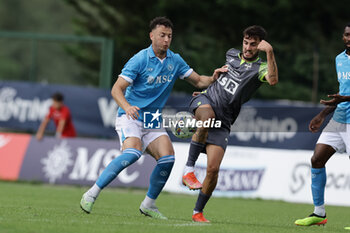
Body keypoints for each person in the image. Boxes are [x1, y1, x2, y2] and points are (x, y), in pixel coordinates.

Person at [79, 16, 227, 219]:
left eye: (169, 36)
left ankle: (148, 204)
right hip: (130, 117)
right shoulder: (140, 59)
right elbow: (116, 89)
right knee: (132, 153)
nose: (166, 40)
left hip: (153, 120)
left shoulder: (174, 60)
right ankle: (91, 193)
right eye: (162, 35)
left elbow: (199, 81)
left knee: (168, 159)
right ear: (152, 36)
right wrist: (127, 106)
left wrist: (213, 78)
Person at [181, 25, 278, 222]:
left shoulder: (260, 68)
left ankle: (197, 212)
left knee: (213, 170)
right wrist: (213, 79)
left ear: (260, 45)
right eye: (245, 42)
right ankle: (188, 170)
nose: (248, 47)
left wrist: (269, 52)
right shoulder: (231, 54)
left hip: (224, 120)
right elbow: (221, 78)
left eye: (253, 44)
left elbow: (273, 80)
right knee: (206, 116)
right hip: (206, 101)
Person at [294, 23, 350, 227]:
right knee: (317, 159)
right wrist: (322, 115)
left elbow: (344, 95)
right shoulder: (339, 59)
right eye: (346, 35)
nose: (348, 38)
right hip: (339, 119)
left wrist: (344, 97)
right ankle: (319, 213)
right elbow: (342, 92)